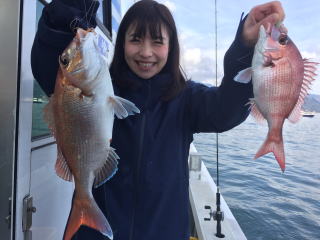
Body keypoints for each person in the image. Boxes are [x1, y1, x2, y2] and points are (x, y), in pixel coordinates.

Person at [31, 0, 285, 239]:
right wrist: (71, 10)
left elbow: (226, 109)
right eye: (135, 39)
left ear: (171, 46)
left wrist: (244, 46)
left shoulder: (187, 99)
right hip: (97, 234)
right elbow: (50, 66)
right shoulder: (103, 88)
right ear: (122, 44)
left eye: (157, 41)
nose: (146, 52)